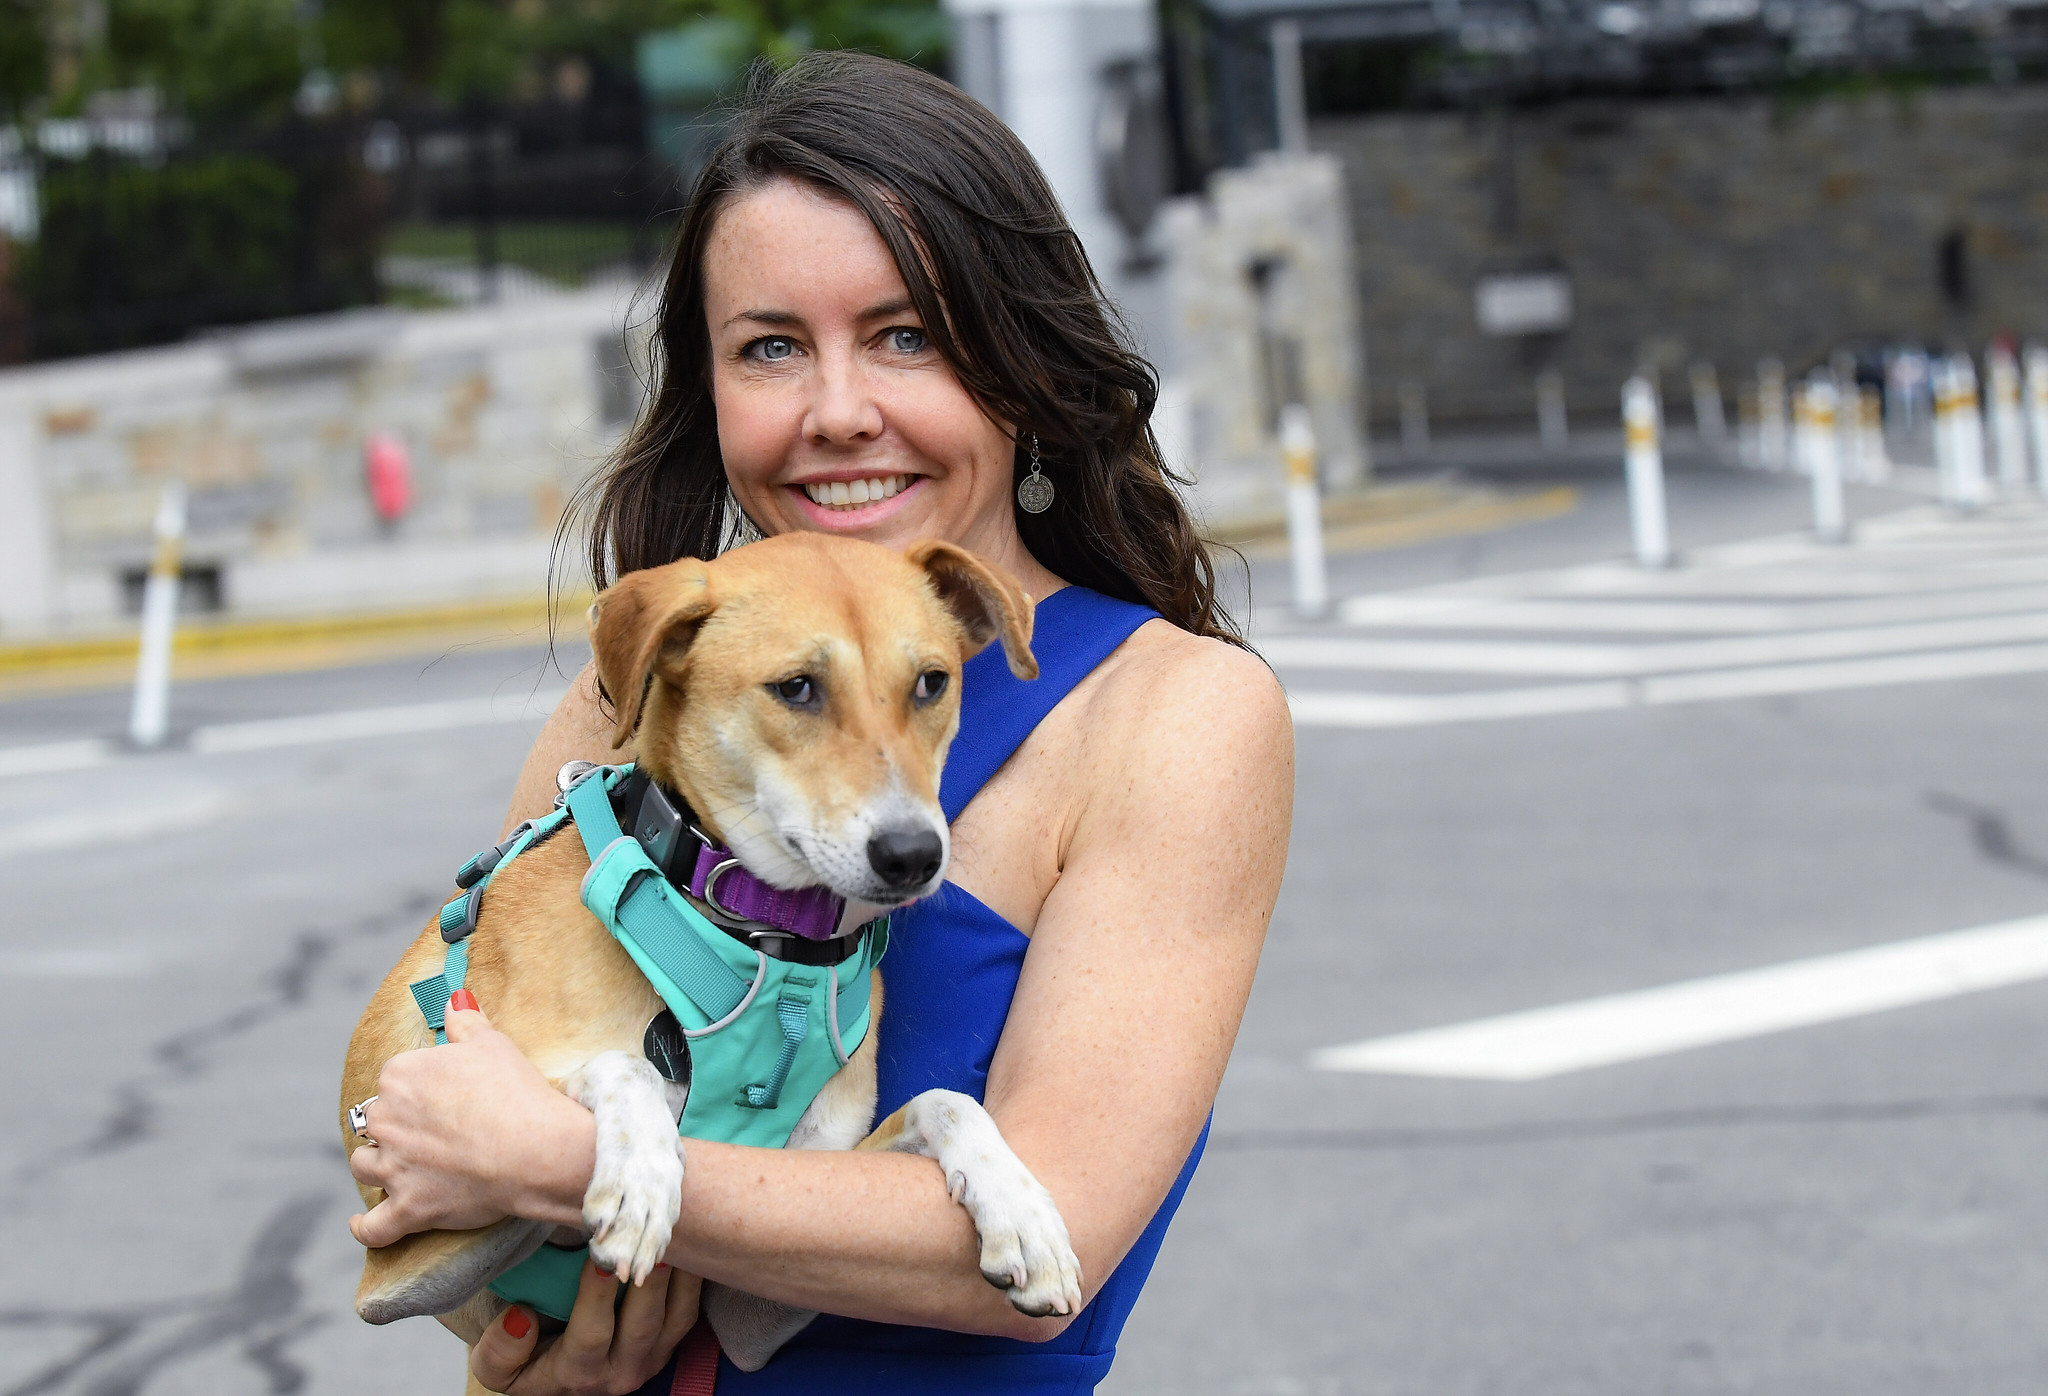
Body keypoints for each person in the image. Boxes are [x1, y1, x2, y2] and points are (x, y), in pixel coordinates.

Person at [345, 50, 1291, 1395]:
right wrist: (520, 1348)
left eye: (906, 335)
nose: (840, 413)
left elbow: (1050, 1240)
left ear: (1019, 361)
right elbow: (450, 1110)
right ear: (711, 386)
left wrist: (577, 1163)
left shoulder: (1173, 714)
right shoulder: (654, 687)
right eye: (771, 347)